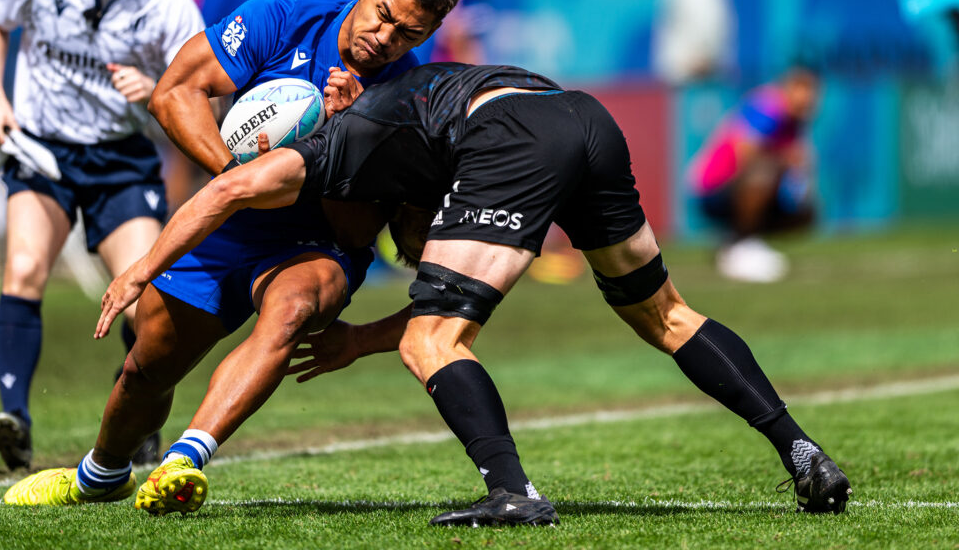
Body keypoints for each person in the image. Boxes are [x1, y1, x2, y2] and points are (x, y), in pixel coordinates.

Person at [72, 62, 850, 525]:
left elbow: (225, 193)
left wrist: (137, 271)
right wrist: (354, 340)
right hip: (583, 119)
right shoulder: (400, 128)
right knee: (666, 314)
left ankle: (513, 493)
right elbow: (463, 287)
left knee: (433, 339)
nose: (397, 246)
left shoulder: (325, 150)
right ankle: (802, 451)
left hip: (513, 133)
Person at [0, 0, 461, 512]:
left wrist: (350, 139)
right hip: (232, 217)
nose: (385, 39)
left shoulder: (408, 98)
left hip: (316, 243)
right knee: (148, 364)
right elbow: (173, 93)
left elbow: (358, 231)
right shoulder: (282, 17)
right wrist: (239, 178)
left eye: (407, 34)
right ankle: (98, 476)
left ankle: (182, 462)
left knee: (291, 310)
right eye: (384, 15)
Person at [0, 0, 205, 471]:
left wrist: (156, 88)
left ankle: (138, 410)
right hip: (44, 151)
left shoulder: (170, 4)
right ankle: (14, 419)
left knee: (144, 304)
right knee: (23, 269)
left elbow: (204, 94)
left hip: (121, 162)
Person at [687, 64, 820, 283]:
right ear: (789, 88)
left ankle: (738, 243)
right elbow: (746, 153)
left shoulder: (796, 122)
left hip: (742, 189)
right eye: (803, 90)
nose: (809, 98)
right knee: (762, 171)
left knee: (804, 212)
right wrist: (784, 160)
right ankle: (742, 245)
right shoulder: (770, 108)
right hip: (713, 189)